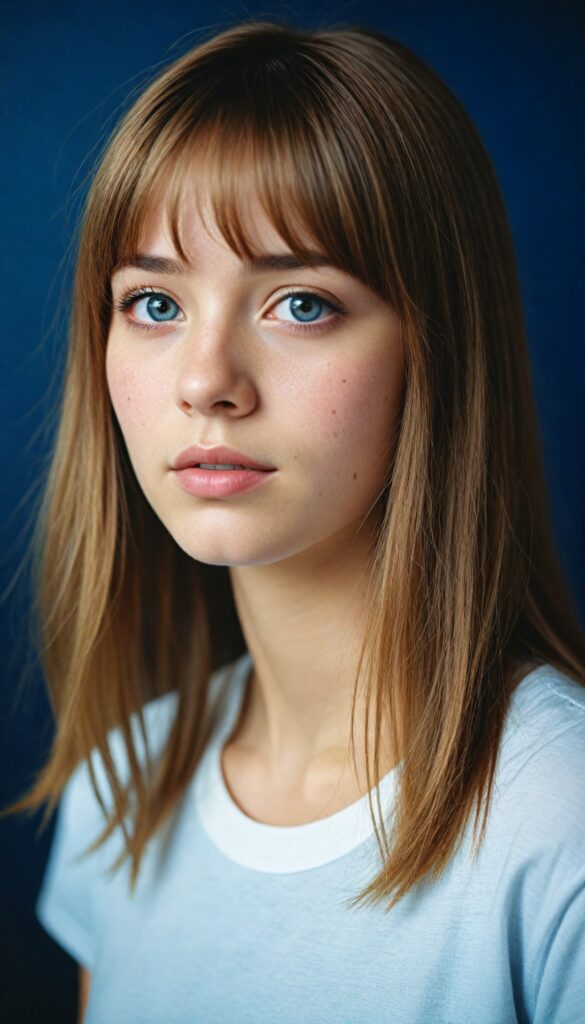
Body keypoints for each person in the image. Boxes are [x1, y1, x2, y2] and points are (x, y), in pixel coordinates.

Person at [3, 17, 585, 1024]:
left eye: (301, 304)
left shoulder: (559, 821)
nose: (206, 380)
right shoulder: (124, 788)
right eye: (153, 302)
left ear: (436, 349)